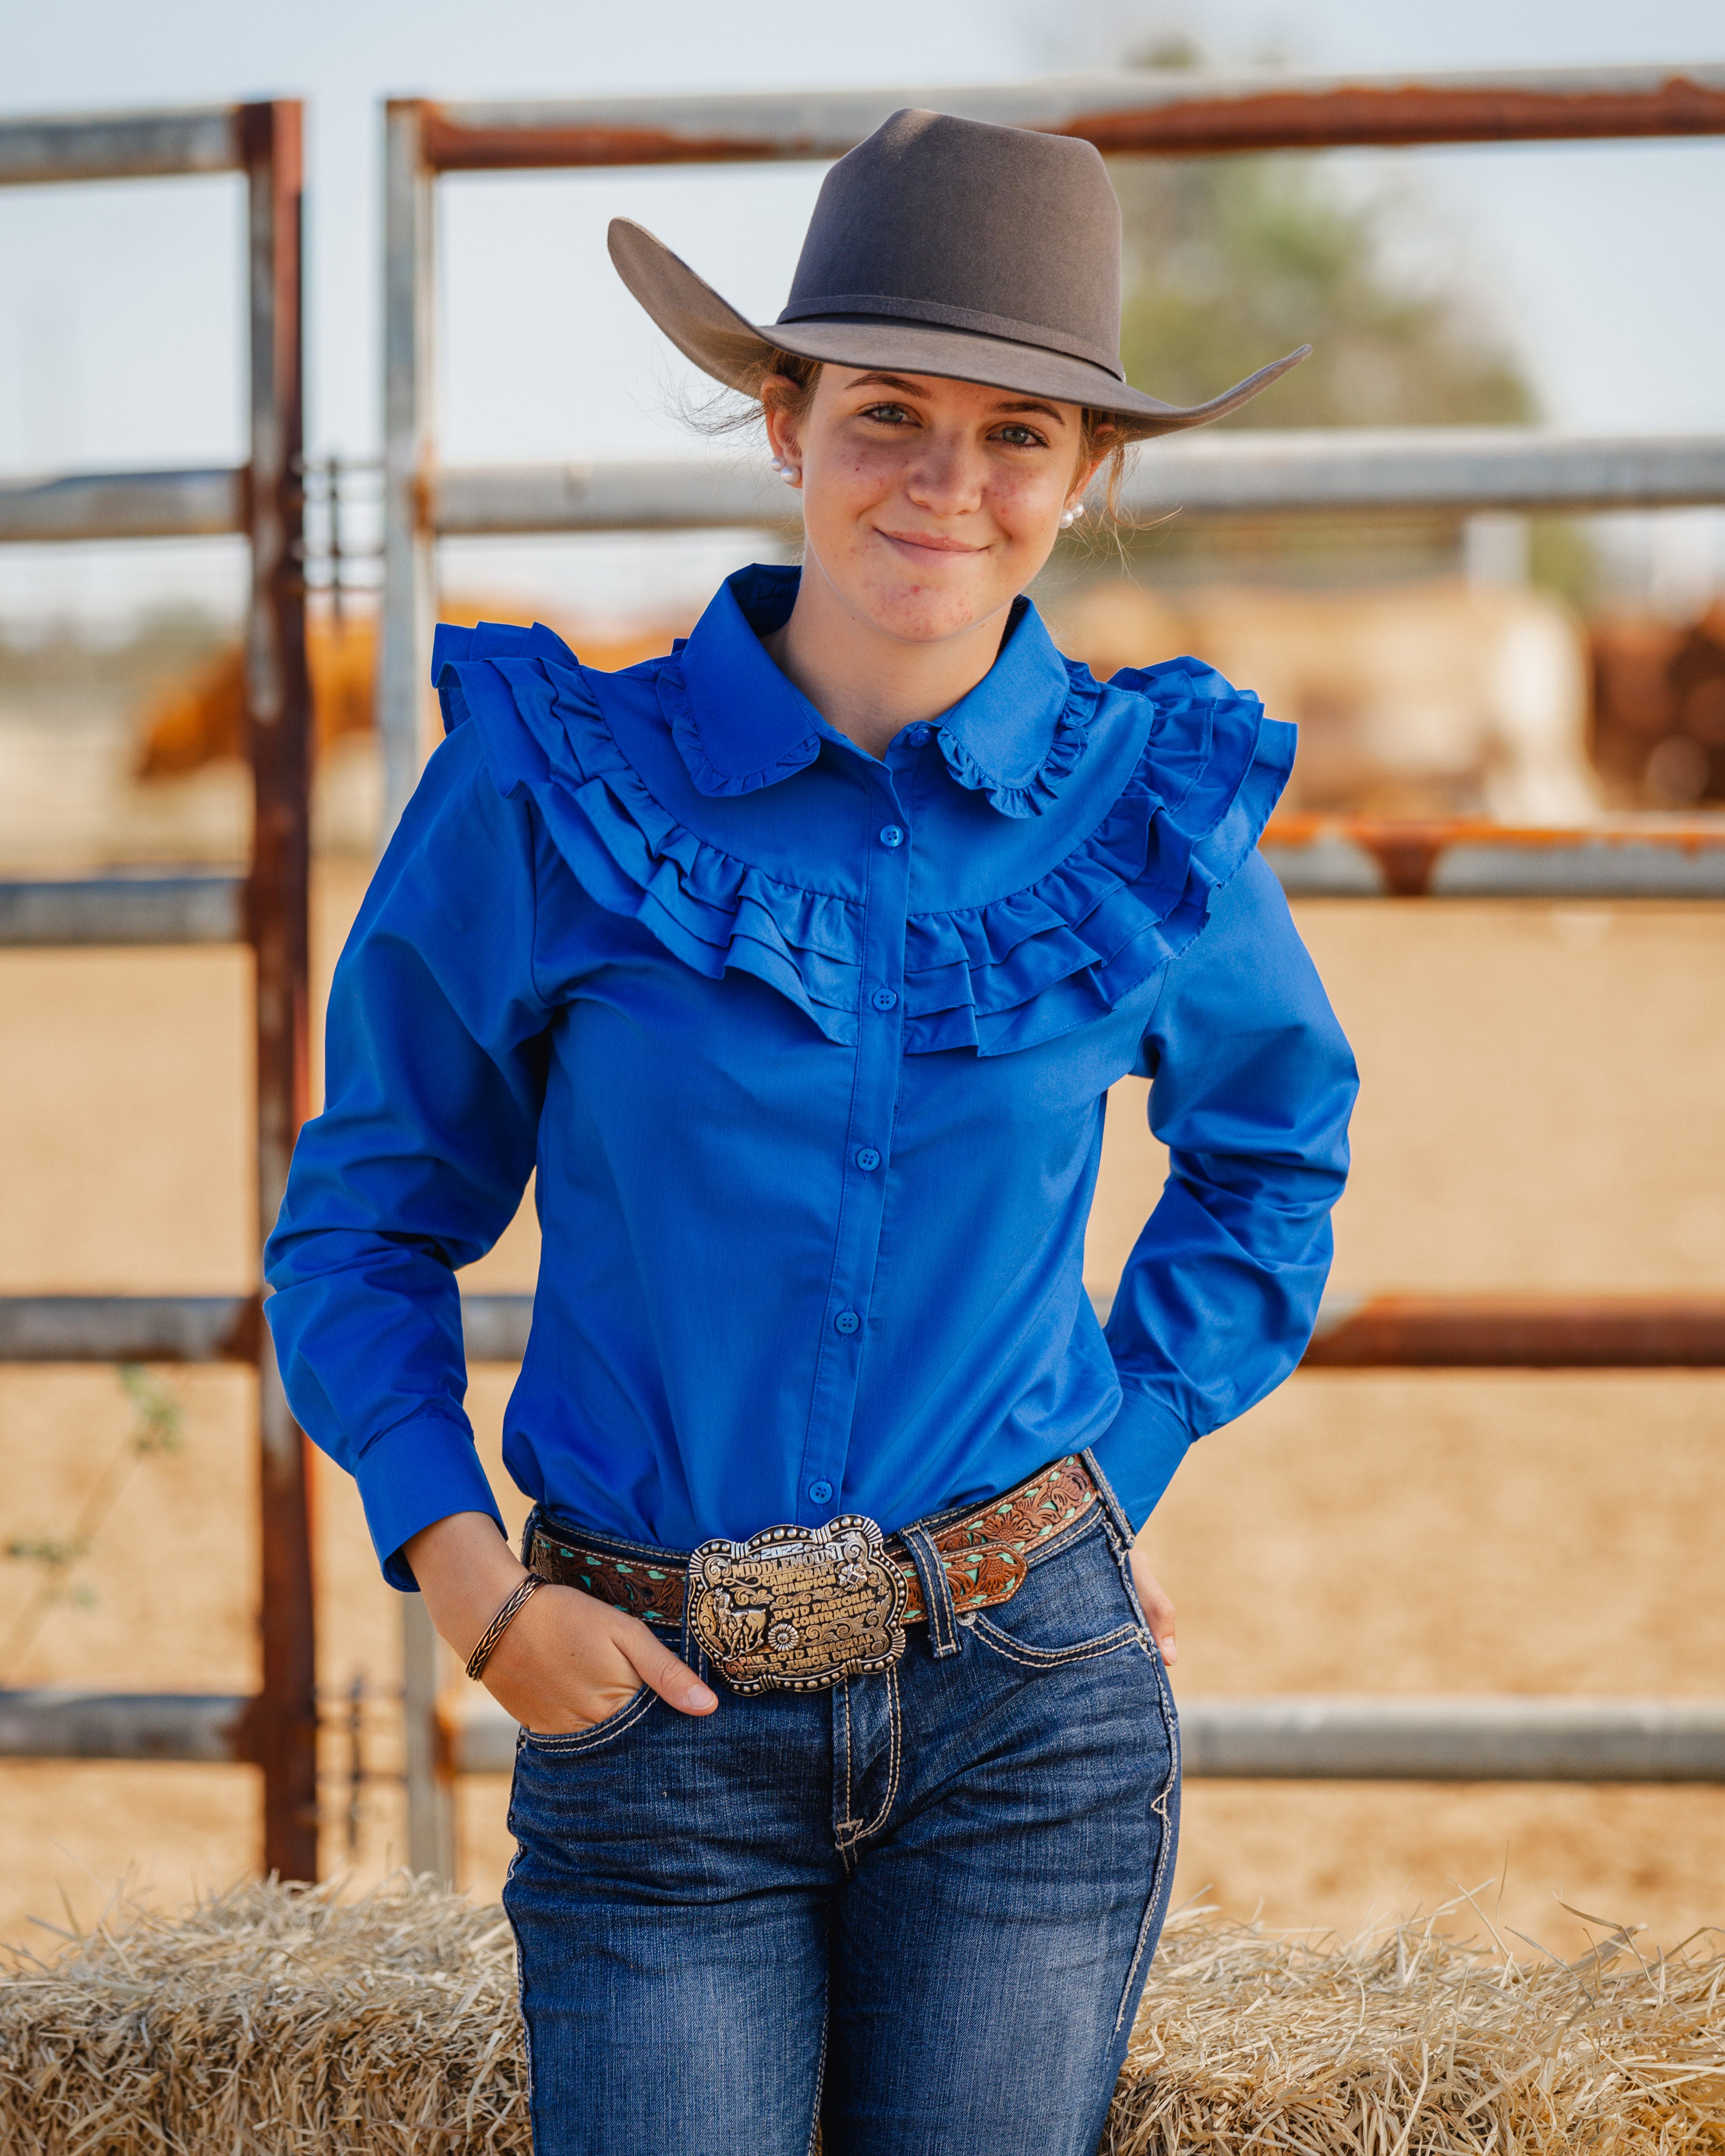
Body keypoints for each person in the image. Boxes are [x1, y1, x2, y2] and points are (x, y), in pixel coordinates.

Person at [265, 108, 1357, 2156]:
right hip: (647, 1715)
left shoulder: (1144, 809)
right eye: (885, 415)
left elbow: (1273, 1149)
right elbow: (365, 1223)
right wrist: (475, 1591)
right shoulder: (549, 789)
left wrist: (1113, 1474)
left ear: (1087, 476)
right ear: (782, 423)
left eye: (1019, 433)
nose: (948, 483)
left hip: (1029, 1720)